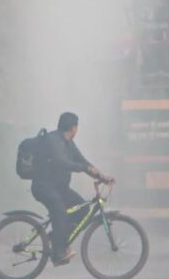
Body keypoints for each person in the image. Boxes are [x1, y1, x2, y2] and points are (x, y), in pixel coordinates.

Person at [32, 112, 114, 266]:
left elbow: (82, 161)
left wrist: (101, 176)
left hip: (60, 188)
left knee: (84, 212)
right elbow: (62, 162)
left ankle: (57, 238)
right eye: (77, 127)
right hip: (44, 187)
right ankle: (59, 252)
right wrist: (84, 168)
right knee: (61, 213)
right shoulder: (53, 140)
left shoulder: (69, 142)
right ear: (73, 127)